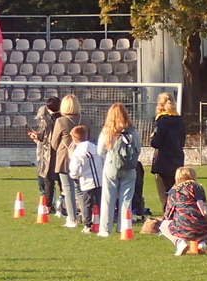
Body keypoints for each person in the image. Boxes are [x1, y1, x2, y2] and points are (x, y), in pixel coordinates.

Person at [96, 102, 139, 237]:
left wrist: (109, 158)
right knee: (126, 198)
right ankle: (123, 227)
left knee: (108, 198)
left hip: (111, 165)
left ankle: (105, 229)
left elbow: (100, 150)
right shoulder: (132, 130)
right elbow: (138, 148)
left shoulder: (107, 130)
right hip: (129, 167)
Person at [160, 166, 207, 255]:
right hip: (201, 228)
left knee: (163, 225)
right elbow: (204, 206)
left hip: (182, 227)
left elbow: (168, 214)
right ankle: (202, 243)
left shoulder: (174, 191)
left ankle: (180, 243)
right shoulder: (198, 188)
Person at [48, 95, 83, 227]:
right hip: (82, 157)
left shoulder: (61, 121)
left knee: (68, 189)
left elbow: (54, 142)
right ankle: (85, 217)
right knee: (80, 189)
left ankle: (72, 218)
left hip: (65, 158)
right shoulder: (85, 119)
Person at [148, 92, 185, 213]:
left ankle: (168, 215)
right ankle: (178, 214)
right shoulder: (180, 120)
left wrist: (152, 137)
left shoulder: (161, 121)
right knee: (176, 190)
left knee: (164, 194)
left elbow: (156, 143)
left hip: (163, 161)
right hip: (177, 159)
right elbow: (182, 140)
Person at [68, 124, 101, 231]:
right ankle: (102, 222)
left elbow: (74, 168)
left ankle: (87, 225)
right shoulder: (94, 147)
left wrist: (74, 176)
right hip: (99, 180)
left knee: (87, 204)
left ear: (74, 139)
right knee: (100, 202)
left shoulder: (78, 152)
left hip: (87, 181)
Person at [28, 97, 58, 209]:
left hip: (46, 156)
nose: (40, 120)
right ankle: (49, 203)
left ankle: (48, 205)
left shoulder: (47, 122)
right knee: (46, 183)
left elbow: (44, 139)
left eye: (41, 117)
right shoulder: (53, 122)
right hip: (45, 155)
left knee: (47, 182)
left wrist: (37, 136)